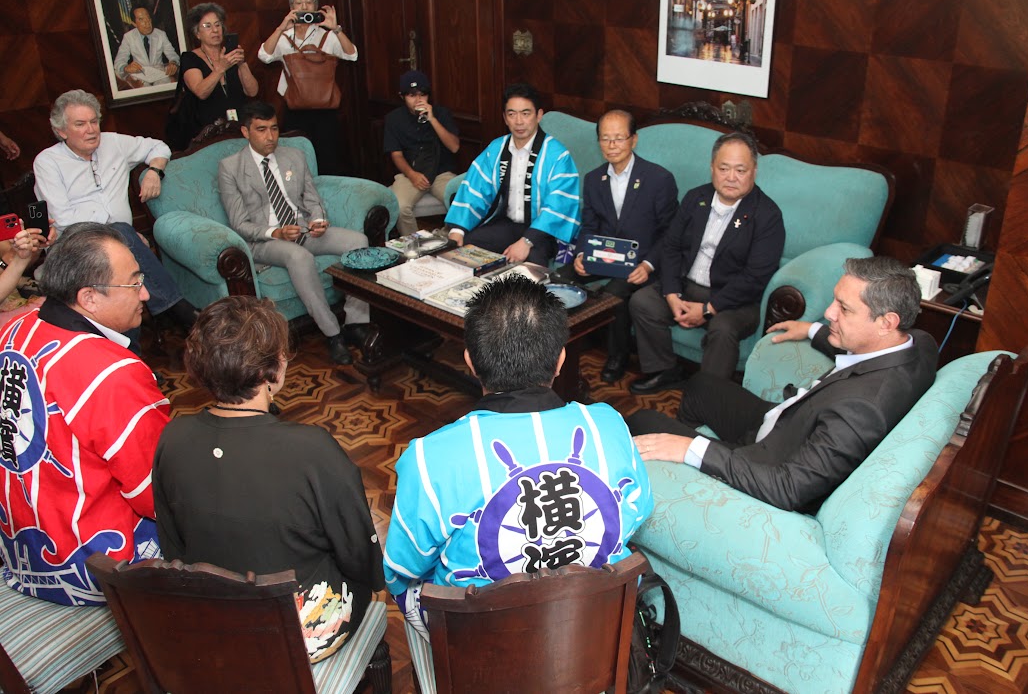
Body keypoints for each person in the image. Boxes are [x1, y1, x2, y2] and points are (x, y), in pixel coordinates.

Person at [384, 276, 653, 691]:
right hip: (590, 636)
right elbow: (637, 513)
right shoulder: (606, 425)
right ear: (561, 359)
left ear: (470, 361)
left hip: (481, 654)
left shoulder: (429, 457)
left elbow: (401, 572)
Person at [154, 296, 385, 663]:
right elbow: (361, 559)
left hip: (212, 617)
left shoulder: (171, 437)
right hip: (297, 633)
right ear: (273, 372)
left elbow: (173, 546)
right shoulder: (313, 449)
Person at [628, 256, 939, 513]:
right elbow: (866, 352)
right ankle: (677, 480)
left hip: (767, 462)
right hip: (785, 422)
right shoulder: (919, 344)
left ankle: (685, 485)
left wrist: (691, 448)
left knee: (642, 421)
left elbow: (788, 488)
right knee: (700, 385)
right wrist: (814, 331)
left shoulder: (861, 410)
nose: (830, 312)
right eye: (835, 301)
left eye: (844, 309)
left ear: (887, 322)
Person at [0, 223, 170, 605]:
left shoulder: (15, 330)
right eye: (133, 284)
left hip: (22, 551)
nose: (145, 293)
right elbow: (158, 494)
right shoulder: (110, 372)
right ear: (89, 298)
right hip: (94, 566)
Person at [627, 131, 785, 394]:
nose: (731, 177)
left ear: (754, 171)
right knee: (642, 301)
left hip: (735, 299)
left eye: (740, 170)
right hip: (687, 284)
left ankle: (707, 398)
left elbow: (755, 277)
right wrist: (671, 294)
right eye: (724, 168)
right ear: (712, 168)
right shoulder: (695, 198)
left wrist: (709, 308)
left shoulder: (767, 215)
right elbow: (672, 247)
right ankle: (665, 371)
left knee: (723, 329)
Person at [217, 101, 370, 365]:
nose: (270, 137)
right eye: (261, 130)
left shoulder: (294, 156)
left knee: (359, 242)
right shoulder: (230, 168)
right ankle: (333, 333)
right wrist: (276, 233)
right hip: (264, 240)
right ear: (245, 132)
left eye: (274, 129)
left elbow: (312, 198)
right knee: (299, 257)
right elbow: (239, 224)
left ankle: (356, 322)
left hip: (303, 229)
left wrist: (319, 219)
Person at [33, 89, 198, 332]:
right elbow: (64, 218)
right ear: (61, 131)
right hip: (73, 244)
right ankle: (179, 310)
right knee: (120, 235)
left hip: (118, 243)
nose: (91, 129)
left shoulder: (114, 143)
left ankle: (141, 347)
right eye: (80, 124)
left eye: (93, 121)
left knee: (120, 277)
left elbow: (159, 147)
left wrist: (155, 172)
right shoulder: (47, 162)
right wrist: (119, 235)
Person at [554, 109, 677, 383]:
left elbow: (671, 234)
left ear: (633, 140)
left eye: (619, 138)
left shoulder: (658, 179)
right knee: (560, 279)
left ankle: (617, 357)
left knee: (615, 293)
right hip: (602, 256)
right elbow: (589, 225)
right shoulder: (594, 179)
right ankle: (569, 343)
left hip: (641, 262)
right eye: (605, 139)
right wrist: (582, 253)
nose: (612, 145)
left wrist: (648, 265)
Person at [445, 83, 580, 265]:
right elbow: (475, 189)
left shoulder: (557, 155)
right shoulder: (497, 148)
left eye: (526, 113)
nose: (518, 121)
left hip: (543, 232)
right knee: (469, 246)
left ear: (539, 115)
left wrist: (526, 241)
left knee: (532, 264)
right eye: (512, 114)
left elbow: (558, 206)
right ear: (505, 118)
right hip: (507, 224)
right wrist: (458, 230)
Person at [258, 0, 358, 176]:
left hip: (325, 110)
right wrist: (281, 28)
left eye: (308, 2)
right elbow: (264, 55)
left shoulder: (327, 36)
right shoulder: (285, 37)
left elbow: (352, 54)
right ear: (291, 8)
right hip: (296, 110)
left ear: (316, 6)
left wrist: (336, 28)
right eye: (298, 3)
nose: (304, 7)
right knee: (296, 164)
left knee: (328, 162)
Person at [167, 2, 259, 150]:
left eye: (217, 25)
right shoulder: (190, 58)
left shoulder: (231, 55)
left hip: (239, 129)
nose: (215, 30)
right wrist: (220, 69)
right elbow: (201, 92)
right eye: (207, 26)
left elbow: (252, 91)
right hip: (206, 134)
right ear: (197, 33)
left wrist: (242, 64)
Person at [383, 70, 459, 236]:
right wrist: (412, 174)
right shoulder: (394, 119)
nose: (418, 100)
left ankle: (446, 237)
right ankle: (414, 245)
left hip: (441, 172)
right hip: (411, 172)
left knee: (462, 200)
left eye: (422, 95)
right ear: (402, 96)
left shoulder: (441, 113)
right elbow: (396, 154)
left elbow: (454, 147)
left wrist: (432, 119)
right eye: (411, 95)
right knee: (400, 206)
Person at [112, 5, 180, 87]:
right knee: (142, 88)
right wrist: (125, 67)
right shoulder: (128, 37)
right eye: (141, 19)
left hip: (159, 74)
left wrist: (174, 62)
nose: (147, 23)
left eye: (148, 18)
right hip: (140, 75)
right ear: (134, 23)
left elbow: (173, 55)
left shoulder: (161, 34)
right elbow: (119, 61)